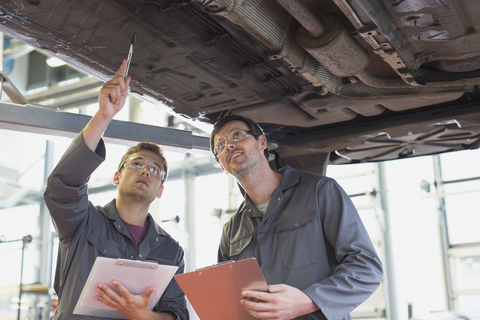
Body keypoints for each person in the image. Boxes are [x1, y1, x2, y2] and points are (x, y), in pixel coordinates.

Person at [44, 60, 188, 320]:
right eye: (137, 164)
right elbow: (63, 186)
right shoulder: (84, 223)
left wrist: (146, 316)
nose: (146, 171)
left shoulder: (171, 251)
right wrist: (103, 116)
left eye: (156, 170)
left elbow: (177, 313)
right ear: (116, 176)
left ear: (161, 190)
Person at [210, 114, 383, 320]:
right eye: (219, 145)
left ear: (262, 142)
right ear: (222, 165)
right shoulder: (231, 230)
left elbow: (366, 268)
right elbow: (229, 299)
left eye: (237, 135)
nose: (228, 145)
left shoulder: (319, 191)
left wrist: (308, 300)